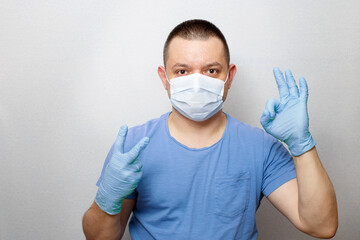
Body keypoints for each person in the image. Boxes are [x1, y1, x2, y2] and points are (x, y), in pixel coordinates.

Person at [82, 19, 338, 240]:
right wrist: (107, 198)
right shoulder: (133, 147)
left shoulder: (260, 147)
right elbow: (100, 238)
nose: (196, 82)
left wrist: (302, 145)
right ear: (164, 78)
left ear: (229, 76)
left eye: (211, 70)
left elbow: (321, 226)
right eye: (182, 71)